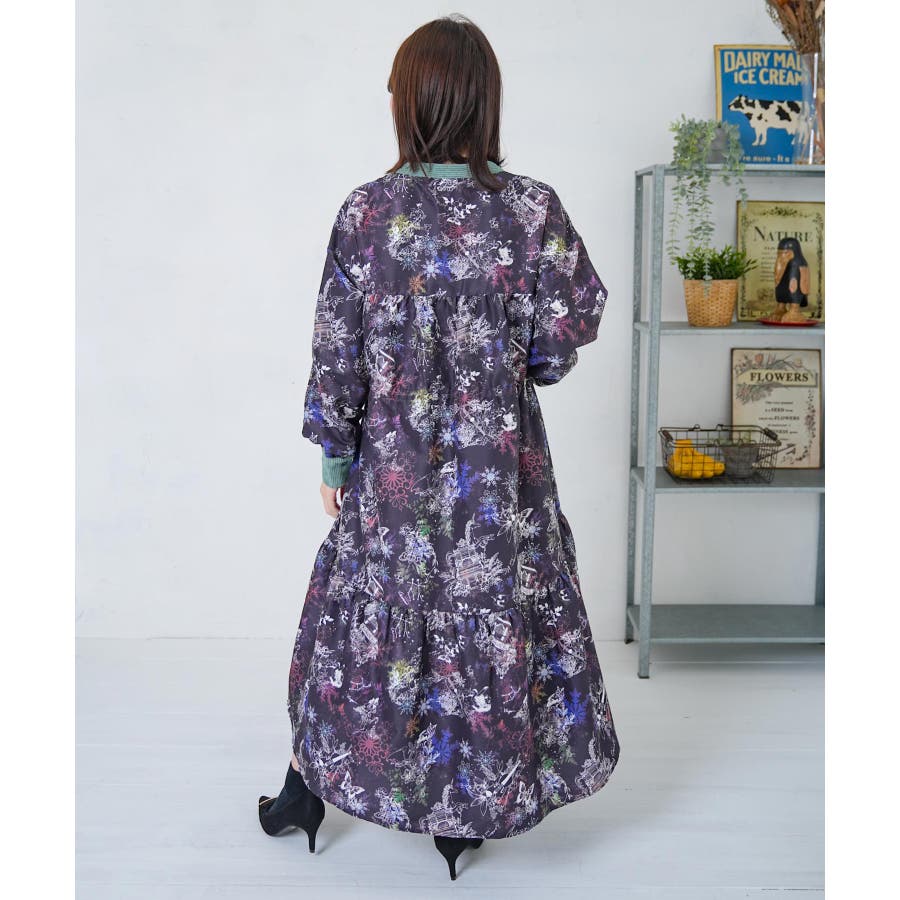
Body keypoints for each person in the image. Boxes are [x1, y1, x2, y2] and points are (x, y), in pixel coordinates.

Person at [258, 13, 621, 880]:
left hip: (392, 473)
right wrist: (499, 368)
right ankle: (465, 818)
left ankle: (307, 790)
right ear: (484, 101)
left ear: (409, 102)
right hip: (500, 481)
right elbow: (561, 340)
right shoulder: (531, 210)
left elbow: (336, 354)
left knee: (358, 624)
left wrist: (334, 455)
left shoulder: (367, 213)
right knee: (490, 617)